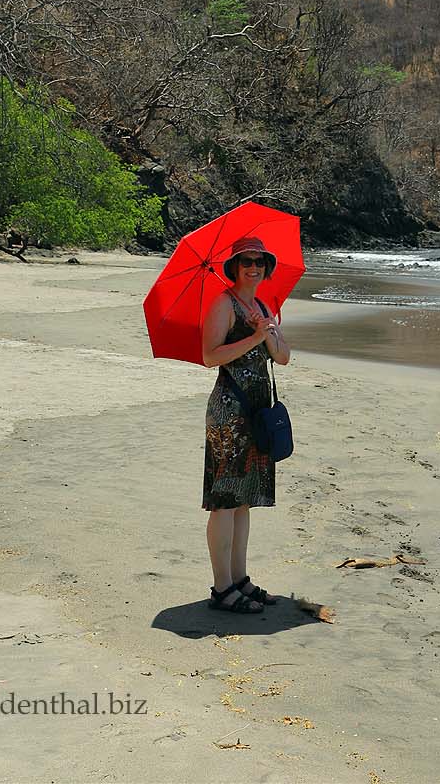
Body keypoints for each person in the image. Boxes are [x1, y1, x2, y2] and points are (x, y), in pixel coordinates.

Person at [201, 235, 291, 613]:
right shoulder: (223, 304)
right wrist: (253, 336)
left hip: (255, 411)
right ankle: (223, 588)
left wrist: (268, 332)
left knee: (244, 502)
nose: (253, 266)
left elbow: (283, 357)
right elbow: (209, 356)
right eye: (245, 261)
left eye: (259, 261)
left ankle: (239, 579)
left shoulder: (262, 305)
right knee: (224, 502)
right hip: (229, 410)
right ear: (234, 267)